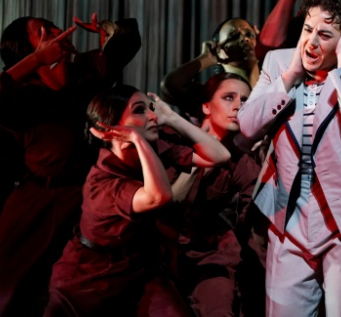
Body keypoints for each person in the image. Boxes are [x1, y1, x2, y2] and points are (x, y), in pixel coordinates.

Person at [238, 0, 341, 316]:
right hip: (289, 220)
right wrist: (291, 75)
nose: (311, 41)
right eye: (308, 29)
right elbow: (248, 126)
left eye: (325, 34)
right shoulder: (278, 61)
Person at [0, 14, 140, 316]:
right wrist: (38, 60)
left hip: (88, 200)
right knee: (6, 290)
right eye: (42, 31)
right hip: (41, 202)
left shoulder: (83, 74)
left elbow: (127, 40)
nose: (55, 30)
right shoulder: (21, 95)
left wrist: (108, 31)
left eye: (51, 25)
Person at [44, 85, 230, 316]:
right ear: (111, 127)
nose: (153, 115)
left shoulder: (153, 148)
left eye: (150, 108)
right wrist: (136, 138)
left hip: (140, 269)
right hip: (89, 278)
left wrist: (171, 118)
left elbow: (219, 155)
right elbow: (159, 196)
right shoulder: (101, 183)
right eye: (140, 110)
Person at [167, 73, 264, 317]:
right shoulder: (173, 139)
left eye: (244, 101)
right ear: (206, 106)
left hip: (207, 253)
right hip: (157, 249)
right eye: (228, 97)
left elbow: (256, 213)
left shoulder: (242, 162)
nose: (237, 106)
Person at [161, 18, 260, 124]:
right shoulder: (209, 96)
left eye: (249, 34)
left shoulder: (275, 83)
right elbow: (170, 85)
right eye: (233, 36)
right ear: (219, 49)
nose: (245, 39)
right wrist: (206, 58)